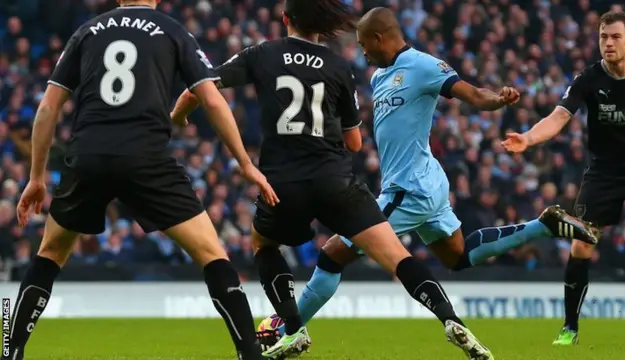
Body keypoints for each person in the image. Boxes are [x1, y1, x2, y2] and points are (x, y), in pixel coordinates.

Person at [172, 1, 511, 359]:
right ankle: (449, 318)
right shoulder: (338, 66)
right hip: (335, 181)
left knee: (264, 244)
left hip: (282, 182)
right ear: (322, 26)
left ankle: (292, 326)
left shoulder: (261, 54)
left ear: (285, 19)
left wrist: (180, 114)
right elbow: (354, 142)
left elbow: (202, 87)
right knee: (397, 256)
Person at [257, 5, 600, 351]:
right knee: (458, 255)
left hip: (408, 188)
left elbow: (473, 93)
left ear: (379, 38)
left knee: (333, 253)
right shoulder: (378, 76)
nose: (362, 51)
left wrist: (499, 99)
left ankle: (288, 327)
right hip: (423, 184)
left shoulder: (423, 66)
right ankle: (543, 225)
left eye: (364, 44)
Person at [8, 1, 278, 360]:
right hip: (146, 156)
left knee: (50, 253)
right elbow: (212, 101)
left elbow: (47, 108)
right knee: (211, 253)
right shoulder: (172, 30)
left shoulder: (87, 31)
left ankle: (10, 352)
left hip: (89, 154)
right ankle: (250, 354)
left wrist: (36, 177)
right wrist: (244, 162)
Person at [502, 11, 625, 345]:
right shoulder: (588, 79)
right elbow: (559, 116)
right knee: (581, 244)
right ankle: (570, 328)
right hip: (603, 172)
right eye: (603, 36)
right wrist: (529, 138)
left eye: (616, 36)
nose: (608, 42)